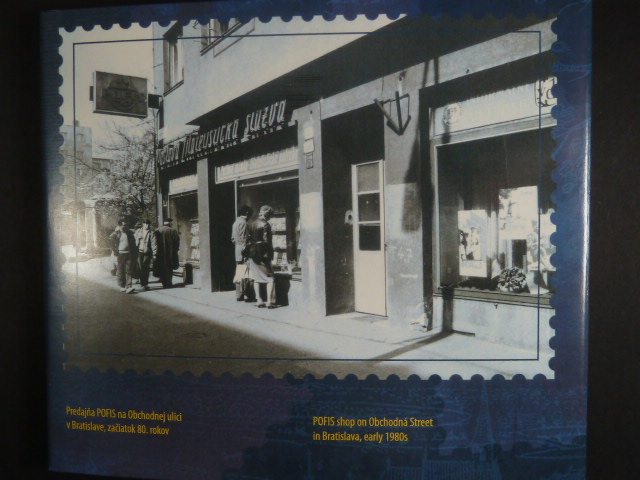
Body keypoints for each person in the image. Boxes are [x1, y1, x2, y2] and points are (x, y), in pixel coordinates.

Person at [248, 205, 276, 308]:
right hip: (263, 255)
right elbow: (267, 242)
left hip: (253, 254)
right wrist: (270, 254)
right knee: (270, 278)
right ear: (266, 214)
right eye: (270, 215)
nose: (270, 217)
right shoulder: (266, 225)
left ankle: (259, 300)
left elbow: (249, 239)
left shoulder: (252, 223)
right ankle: (269, 301)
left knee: (256, 278)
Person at [231, 205, 255, 302]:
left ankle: (239, 294)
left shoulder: (235, 223)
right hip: (244, 252)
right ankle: (247, 295)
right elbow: (245, 240)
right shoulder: (244, 223)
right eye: (250, 215)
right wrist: (246, 250)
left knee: (239, 272)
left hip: (238, 251)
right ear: (247, 213)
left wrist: (239, 246)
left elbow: (233, 239)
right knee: (246, 273)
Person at [108, 219, 137, 294]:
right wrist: (115, 251)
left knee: (129, 270)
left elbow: (133, 243)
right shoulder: (116, 233)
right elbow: (111, 241)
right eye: (123, 225)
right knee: (121, 270)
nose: (125, 226)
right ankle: (122, 286)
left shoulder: (129, 233)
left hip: (129, 254)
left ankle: (129, 287)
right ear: (119, 225)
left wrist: (134, 252)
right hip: (120, 254)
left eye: (126, 225)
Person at [154, 218, 180, 288]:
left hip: (160, 253)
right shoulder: (173, 231)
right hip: (170, 253)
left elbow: (154, 242)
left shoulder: (158, 230)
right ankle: (168, 283)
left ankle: (163, 282)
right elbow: (176, 242)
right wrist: (176, 251)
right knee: (169, 268)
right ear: (170, 223)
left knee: (161, 267)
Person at [136, 219, 157, 291]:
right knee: (140, 268)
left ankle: (145, 284)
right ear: (143, 224)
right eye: (146, 224)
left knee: (146, 268)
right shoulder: (138, 231)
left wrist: (154, 254)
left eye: (148, 224)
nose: (147, 225)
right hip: (139, 252)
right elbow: (134, 241)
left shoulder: (151, 233)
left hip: (147, 253)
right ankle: (143, 284)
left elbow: (154, 244)